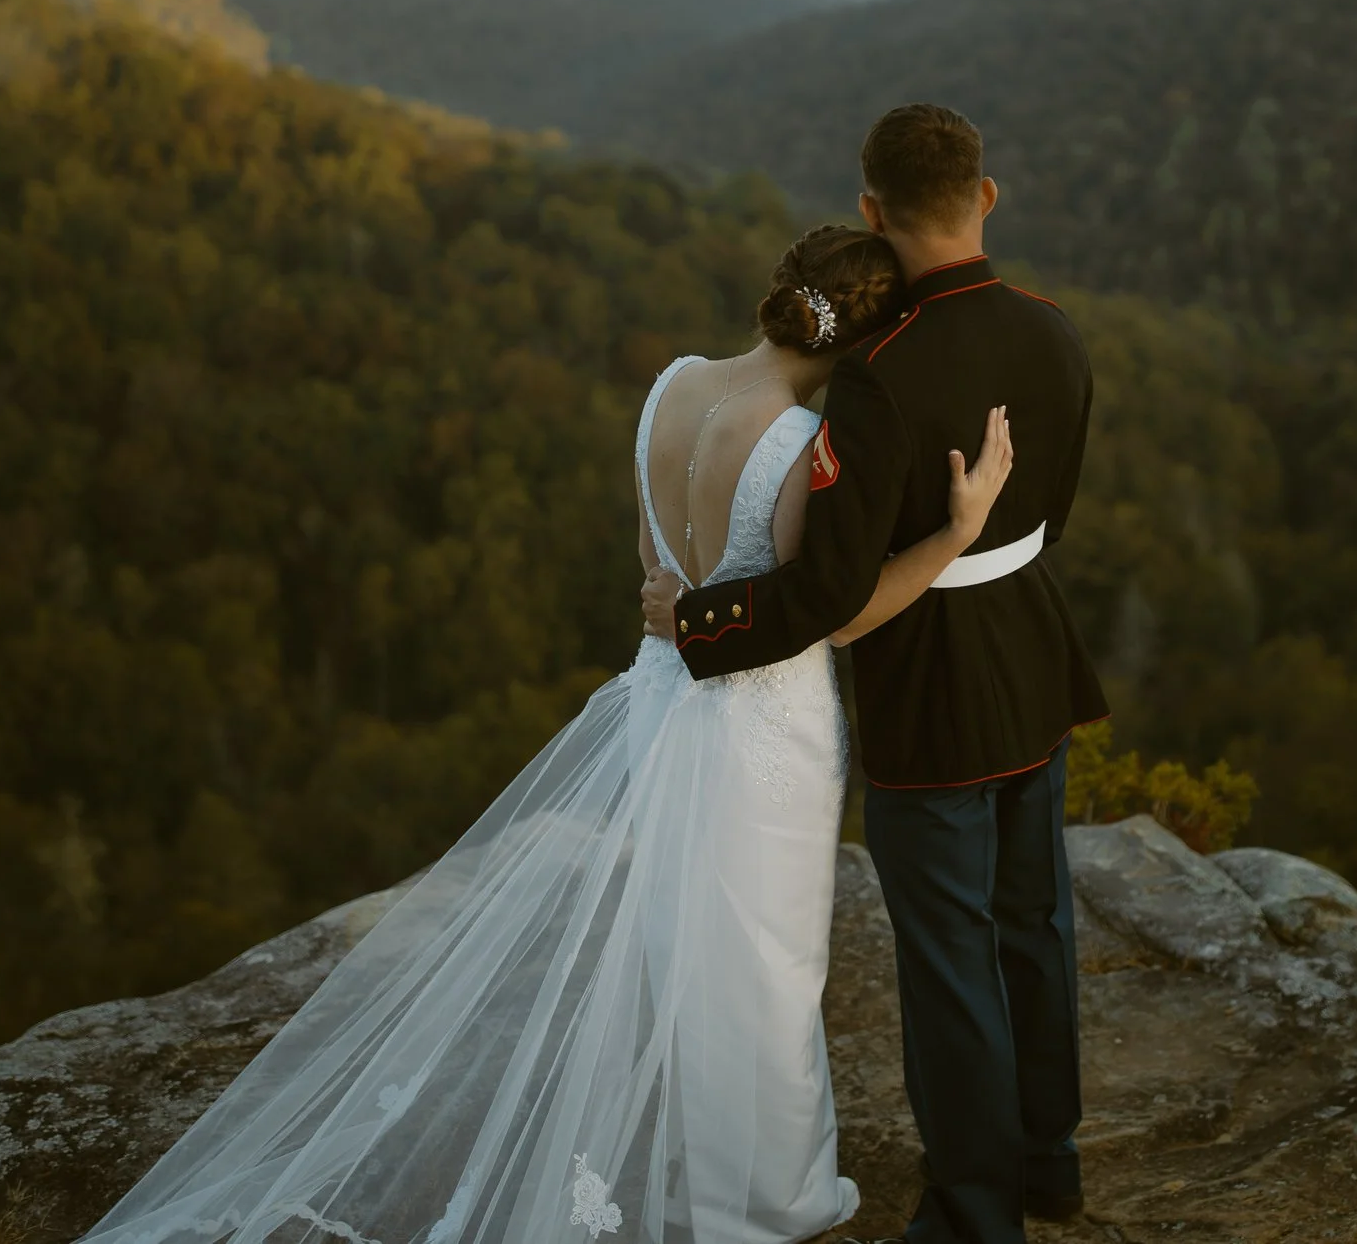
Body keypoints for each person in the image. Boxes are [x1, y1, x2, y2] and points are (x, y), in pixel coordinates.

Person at [77, 223, 1016, 1244]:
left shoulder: (671, 387)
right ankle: (761, 1197)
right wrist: (954, 534)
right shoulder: (799, 446)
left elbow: (656, 570)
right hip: (762, 723)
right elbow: (825, 614)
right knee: (766, 964)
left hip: (664, 697)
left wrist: (682, 608)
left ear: (778, 292)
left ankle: (697, 1155)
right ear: (864, 337)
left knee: (681, 947)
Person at [644, 105, 1108, 1244]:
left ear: (869, 211)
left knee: (951, 956)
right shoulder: (1055, 331)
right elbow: (1053, 513)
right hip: (1035, 656)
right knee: (1033, 921)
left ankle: (973, 1207)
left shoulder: (878, 375)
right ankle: (1048, 1162)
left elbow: (827, 596)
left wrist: (696, 622)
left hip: (930, 688)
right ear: (984, 195)